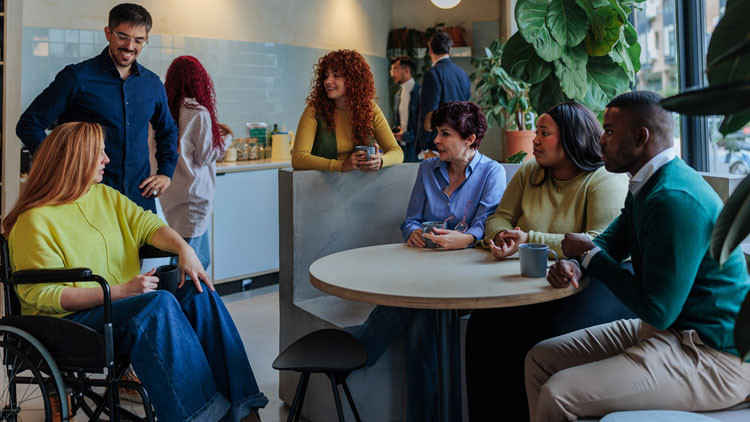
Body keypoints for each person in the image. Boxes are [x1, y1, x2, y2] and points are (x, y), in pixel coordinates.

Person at [4, 122, 268, 422]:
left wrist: (185, 250)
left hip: (117, 306)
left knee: (197, 290)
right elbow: (43, 295)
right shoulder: (34, 221)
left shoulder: (105, 196)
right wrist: (120, 291)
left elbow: (148, 225)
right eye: (98, 153)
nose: (106, 159)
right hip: (68, 323)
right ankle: (203, 417)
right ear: (75, 159)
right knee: (158, 305)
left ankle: (244, 408)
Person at [526, 91, 750, 421]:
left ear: (641, 137)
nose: (600, 141)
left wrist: (589, 258)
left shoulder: (673, 197)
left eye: (609, 131)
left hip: (714, 355)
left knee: (558, 394)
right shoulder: (647, 184)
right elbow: (611, 242)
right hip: (669, 332)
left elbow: (658, 310)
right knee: (540, 359)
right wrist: (575, 264)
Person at [465, 101, 634, 421]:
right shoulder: (530, 172)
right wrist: (504, 237)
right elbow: (499, 218)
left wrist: (530, 240)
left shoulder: (603, 178)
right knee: (484, 328)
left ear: (571, 138)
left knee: (546, 337)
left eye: (545, 133)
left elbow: (600, 242)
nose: (535, 140)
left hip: (595, 279)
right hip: (536, 279)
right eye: (536, 133)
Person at [356, 101, 506, 422]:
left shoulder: (492, 172)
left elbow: (489, 223)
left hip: (468, 279)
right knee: (420, 324)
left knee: (410, 307)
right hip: (425, 273)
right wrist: (412, 232)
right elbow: (411, 219)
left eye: (445, 133)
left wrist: (466, 239)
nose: (436, 140)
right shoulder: (427, 169)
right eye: (437, 132)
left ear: (470, 139)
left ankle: (360, 349)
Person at [16, 3, 178, 213]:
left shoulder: (153, 84)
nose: (130, 46)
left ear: (146, 40)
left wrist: (166, 173)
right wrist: (60, 167)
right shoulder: (77, 78)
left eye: (139, 40)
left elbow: (168, 130)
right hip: (87, 202)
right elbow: (29, 124)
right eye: (123, 37)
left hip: (139, 203)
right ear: (108, 33)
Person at [159, 55, 232, 270]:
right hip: (194, 197)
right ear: (200, 81)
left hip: (170, 195)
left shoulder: (164, 111)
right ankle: (184, 294)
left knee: (180, 255)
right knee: (193, 263)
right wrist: (226, 138)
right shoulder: (198, 112)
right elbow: (206, 156)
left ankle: (178, 293)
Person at [292, 49, 404, 172]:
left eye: (336, 75)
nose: (328, 81)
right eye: (326, 75)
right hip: (322, 183)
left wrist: (381, 161)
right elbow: (298, 158)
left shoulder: (370, 109)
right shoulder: (315, 109)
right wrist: (341, 165)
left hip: (362, 183)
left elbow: (397, 152)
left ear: (353, 80)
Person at [416, 31, 471, 157]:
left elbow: (429, 112)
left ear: (430, 50)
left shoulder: (432, 74)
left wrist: (424, 144)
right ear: (450, 50)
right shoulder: (463, 74)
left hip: (438, 144)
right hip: (460, 142)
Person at [390, 55, 420, 163]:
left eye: (395, 70)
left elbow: (422, 127)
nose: (392, 74)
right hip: (400, 148)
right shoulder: (398, 95)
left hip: (415, 149)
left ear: (406, 70)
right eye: (391, 70)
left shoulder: (420, 93)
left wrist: (405, 136)